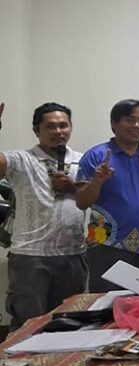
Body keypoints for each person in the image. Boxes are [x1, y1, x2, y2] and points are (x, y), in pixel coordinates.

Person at [0, 102, 87, 330]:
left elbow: (95, 197)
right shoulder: (22, 159)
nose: (58, 131)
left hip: (73, 254)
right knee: (28, 325)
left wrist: (72, 188)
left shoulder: (82, 160)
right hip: (31, 256)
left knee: (69, 323)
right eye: (50, 126)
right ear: (36, 130)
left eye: (63, 125)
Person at [75, 99, 139, 292]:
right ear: (114, 123)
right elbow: (81, 202)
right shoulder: (96, 155)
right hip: (104, 245)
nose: (137, 125)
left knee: (138, 305)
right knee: (105, 305)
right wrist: (97, 181)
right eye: (129, 120)